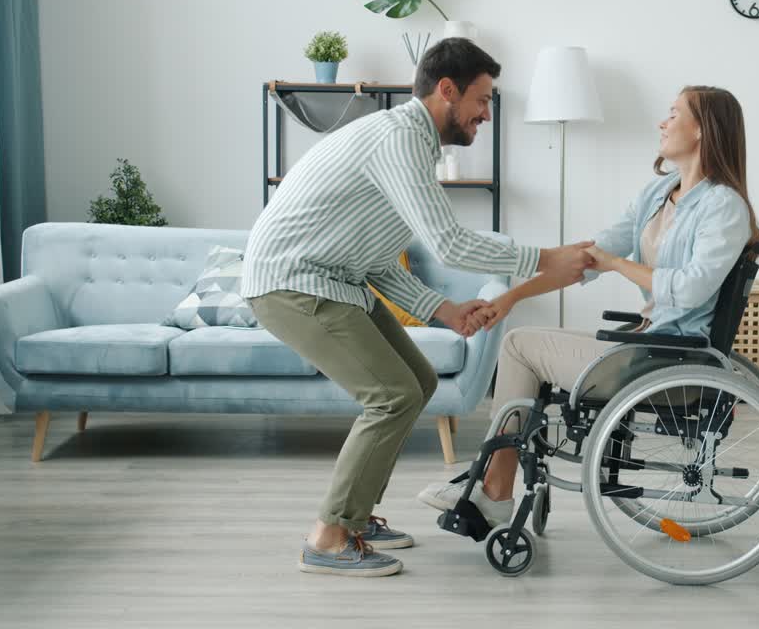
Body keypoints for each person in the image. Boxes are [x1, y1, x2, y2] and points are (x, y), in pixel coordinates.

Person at [242, 38, 594, 577]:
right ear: (446, 90)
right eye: (483, 99)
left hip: (336, 279)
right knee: (391, 394)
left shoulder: (414, 145)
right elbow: (451, 243)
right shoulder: (399, 138)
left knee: (418, 382)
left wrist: (444, 311)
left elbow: (379, 260)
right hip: (295, 282)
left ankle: (355, 517)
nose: (486, 114)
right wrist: (546, 256)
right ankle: (329, 535)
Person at [418, 85, 759, 524]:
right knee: (518, 340)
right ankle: (495, 486)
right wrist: (510, 298)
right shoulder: (659, 194)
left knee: (520, 347)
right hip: (645, 345)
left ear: (701, 130)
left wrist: (618, 264)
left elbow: (691, 289)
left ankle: (495, 490)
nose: (662, 122)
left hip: (673, 360)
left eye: (673, 114)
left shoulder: (723, 206)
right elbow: (588, 258)